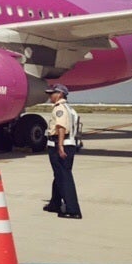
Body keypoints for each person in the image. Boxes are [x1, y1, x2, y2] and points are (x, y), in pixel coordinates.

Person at [42, 83, 83, 219]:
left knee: (64, 177)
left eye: (52, 93)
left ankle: (73, 210)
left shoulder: (59, 108)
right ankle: (55, 203)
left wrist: (60, 146)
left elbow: (61, 128)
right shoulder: (69, 109)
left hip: (60, 145)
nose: (50, 96)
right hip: (68, 144)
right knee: (59, 175)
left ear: (59, 94)